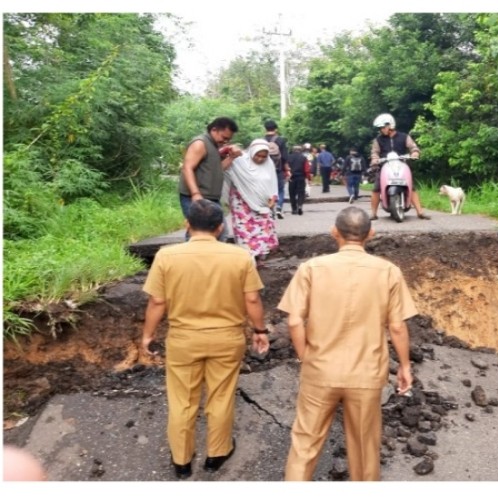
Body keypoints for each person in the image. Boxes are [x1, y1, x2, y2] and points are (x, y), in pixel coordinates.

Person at [278, 206, 417, 481]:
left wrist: (307, 357)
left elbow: (294, 321)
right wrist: (404, 366)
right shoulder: (388, 271)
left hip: (320, 371)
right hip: (366, 373)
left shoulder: (311, 269)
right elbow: (397, 326)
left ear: (334, 233)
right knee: (365, 447)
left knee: (304, 445)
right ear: (371, 234)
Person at [140, 199, 270, 480]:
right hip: (227, 338)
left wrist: (148, 335)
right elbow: (252, 298)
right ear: (220, 227)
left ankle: (182, 461)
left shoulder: (166, 256)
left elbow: (157, 302)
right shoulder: (240, 256)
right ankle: (217, 454)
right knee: (221, 396)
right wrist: (259, 331)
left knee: (181, 400)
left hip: (183, 339)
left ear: (187, 224)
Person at [178, 117, 243, 240]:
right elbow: (187, 168)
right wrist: (195, 194)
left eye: (228, 140)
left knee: (219, 233)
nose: (225, 142)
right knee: (197, 234)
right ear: (214, 129)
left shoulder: (213, 146)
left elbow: (217, 169)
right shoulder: (200, 143)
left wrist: (231, 157)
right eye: (224, 138)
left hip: (210, 198)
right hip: (196, 197)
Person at [223, 139, 280, 268]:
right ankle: (248, 260)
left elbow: (272, 182)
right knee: (245, 231)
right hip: (242, 203)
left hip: (262, 204)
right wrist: (231, 152)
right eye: (257, 155)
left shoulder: (269, 165)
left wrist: (273, 197)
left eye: (263, 157)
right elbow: (222, 167)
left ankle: (260, 258)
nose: (260, 159)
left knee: (261, 231)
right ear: (251, 152)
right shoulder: (239, 162)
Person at [368, 113, 430, 220]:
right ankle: (373, 213)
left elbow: (413, 147)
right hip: (384, 166)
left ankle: (420, 212)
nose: (381, 130)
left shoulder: (404, 137)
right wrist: (374, 159)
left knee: (412, 187)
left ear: (390, 125)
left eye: (383, 127)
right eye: (380, 128)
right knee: (376, 188)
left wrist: (415, 153)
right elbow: (375, 152)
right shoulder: (378, 140)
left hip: (401, 164)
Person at [263, 119, 290, 219]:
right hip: (278, 169)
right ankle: (279, 207)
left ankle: (271, 210)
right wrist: (287, 170)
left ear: (265, 128)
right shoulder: (281, 140)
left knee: (267, 191)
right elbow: (285, 157)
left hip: (264, 171)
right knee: (280, 190)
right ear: (276, 128)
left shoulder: (262, 140)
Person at [287, 144, 312, 215]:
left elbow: (286, 167)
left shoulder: (289, 157)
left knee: (292, 193)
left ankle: (294, 208)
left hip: (291, 177)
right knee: (301, 193)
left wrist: (286, 176)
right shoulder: (303, 158)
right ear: (300, 150)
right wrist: (308, 178)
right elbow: (307, 169)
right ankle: (300, 206)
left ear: (293, 150)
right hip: (301, 177)